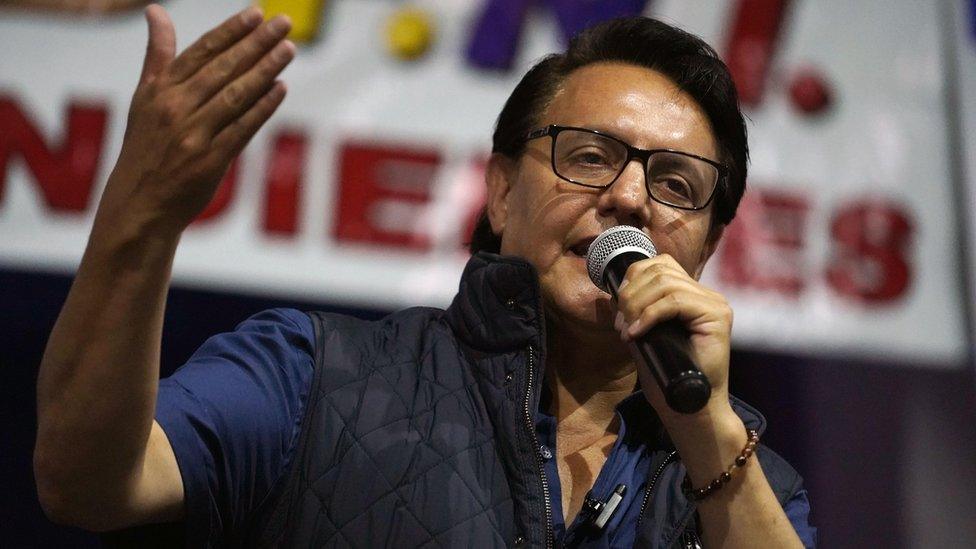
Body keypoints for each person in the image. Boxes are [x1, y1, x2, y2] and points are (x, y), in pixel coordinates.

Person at [34, 3, 816, 548]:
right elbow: (89, 481)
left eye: (676, 185)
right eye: (589, 155)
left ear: (708, 248)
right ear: (503, 191)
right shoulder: (313, 376)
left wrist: (708, 434)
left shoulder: (753, 482)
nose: (629, 197)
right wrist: (140, 222)